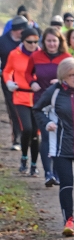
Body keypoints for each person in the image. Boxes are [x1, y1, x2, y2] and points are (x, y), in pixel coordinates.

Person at [33, 58, 74, 236]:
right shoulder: (53, 92)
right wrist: (46, 123)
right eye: (72, 75)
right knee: (66, 184)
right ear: (63, 77)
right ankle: (68, 220)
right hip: (61, 146)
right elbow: (37, 109)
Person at [26, 27, 72, 186]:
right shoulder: (35, 56)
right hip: (41, 101)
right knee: (45, 136)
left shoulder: (66, 57)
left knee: (59, 137)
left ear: (60, 42)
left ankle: (58, 173)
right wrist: (32, 82)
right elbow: (27, 73)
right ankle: (48, 173)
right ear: (43, 42)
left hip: (61, 101)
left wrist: (61, 82)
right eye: (48, 41)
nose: (52, 44)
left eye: (54, 41)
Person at [3, 27, 40, 174]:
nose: (32, 45)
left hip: (38, 98)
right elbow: (7, 70)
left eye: (36, 42)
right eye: (29, 42)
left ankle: (33, 164)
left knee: (36, 134)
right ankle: (24, 158)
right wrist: (9, 82)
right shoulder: (14, 54)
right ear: (22, 41)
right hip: (20, 97)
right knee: (27, 129)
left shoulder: (41, 55)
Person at [0, 15, 28, 151]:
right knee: (13, 108)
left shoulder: (29, 41)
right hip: (8, 79)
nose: (23, 32)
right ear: (15, 30)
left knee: (28, 107)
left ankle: (29, 134)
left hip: (26, 79)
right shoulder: (3, 41)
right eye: (20, 30)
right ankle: (16, 138)